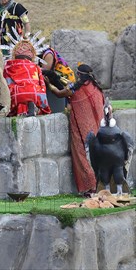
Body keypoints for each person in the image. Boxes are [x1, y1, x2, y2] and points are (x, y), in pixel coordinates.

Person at [46, 64, 104, 196]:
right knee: (96, 156)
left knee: (82, 155)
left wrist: (49, 85)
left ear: (79, 75)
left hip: (81, 128)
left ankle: (90, 187)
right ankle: (100, 185)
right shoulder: (97, 87)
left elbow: (59, 94)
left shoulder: (76, 87)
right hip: (98, 128)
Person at [1, 36, 51, 117]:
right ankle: (33, 106)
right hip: (34, 94)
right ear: (32, 55)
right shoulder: (35, 67)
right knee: (38, 93)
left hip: (16, 96)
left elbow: (5, 84)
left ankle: (18, 109)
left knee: (11, 98)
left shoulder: (7, 66)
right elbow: (42, 85)